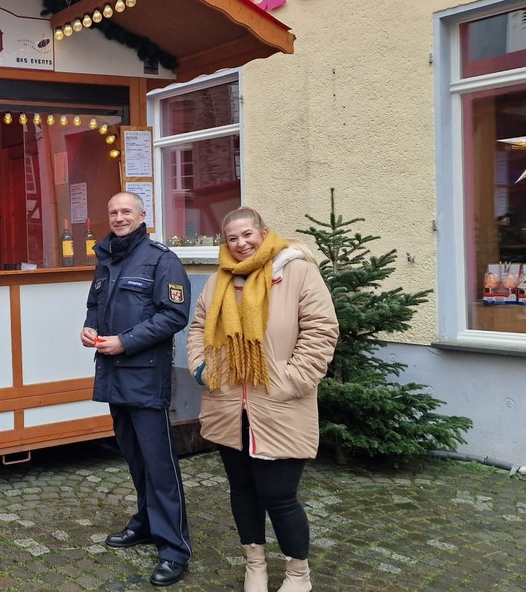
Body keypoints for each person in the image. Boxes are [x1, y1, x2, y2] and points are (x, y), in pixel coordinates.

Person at [186, 207, 338, 592]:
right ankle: (254, 565)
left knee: (280, 496)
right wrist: (202, 368)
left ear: (264, 232)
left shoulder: (297, 271)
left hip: (279, 403)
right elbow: (199, 327)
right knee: (242, 491)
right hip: (228, 404)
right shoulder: (218, 281)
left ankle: (298, 574)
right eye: (232, 238)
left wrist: (292, 379)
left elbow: (321, 330)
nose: (241, 244)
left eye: (247, 235)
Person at [80, 191, 193, 587]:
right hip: (114, 374)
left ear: (142, 215)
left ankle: (174, 549)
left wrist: (125, 342)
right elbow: (96, 305)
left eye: (126, 211)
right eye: (113, 211)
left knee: (160, 464)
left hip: (145, 376)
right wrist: (90, 327)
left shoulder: (162, 260)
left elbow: (174, 315)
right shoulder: (107, 258)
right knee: (135, 458)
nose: (119, 217)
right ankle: (145, 523)